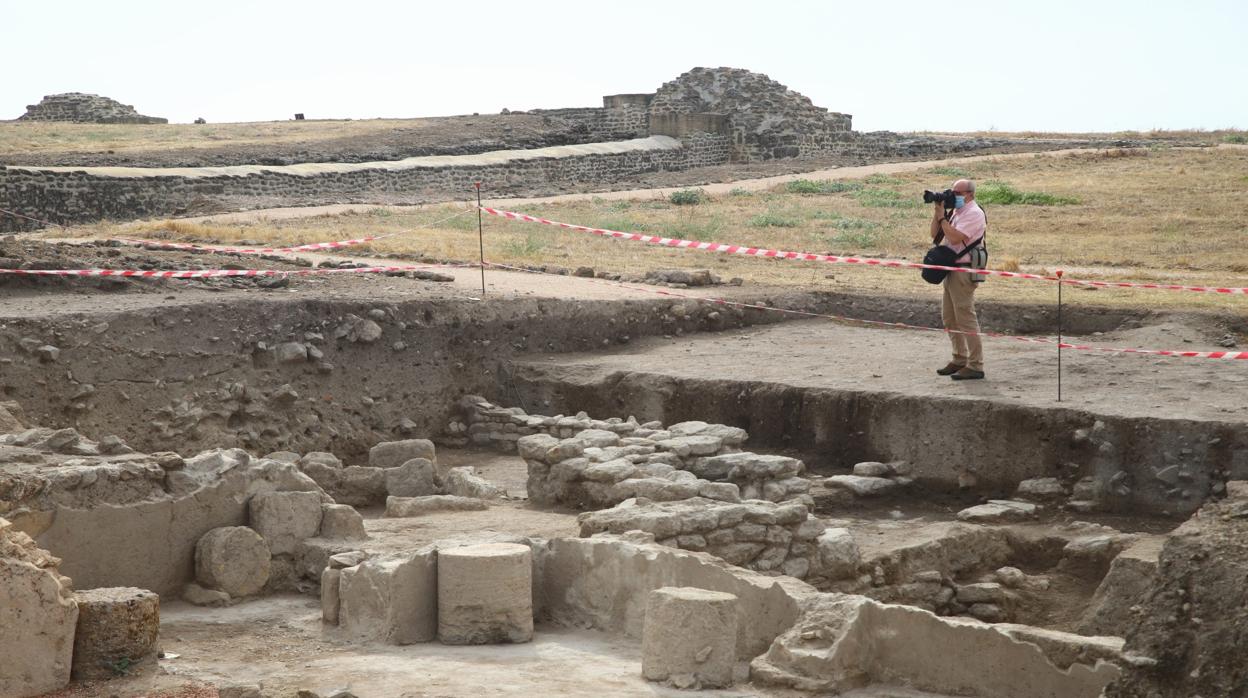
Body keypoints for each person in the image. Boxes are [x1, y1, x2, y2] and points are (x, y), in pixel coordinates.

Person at [930, 179, 987, 380]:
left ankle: (976, 365)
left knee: (965, 317)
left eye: (957, 193)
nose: (953, 196)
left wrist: (943, 219)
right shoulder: (956, 212)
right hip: (951, 268)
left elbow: (954, 238)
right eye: (952, 192)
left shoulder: (974, 213)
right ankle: (959, 358)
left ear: (970, 194)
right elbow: (935, 235)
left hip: (964, 270)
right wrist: (938, 213)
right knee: (949, 317)